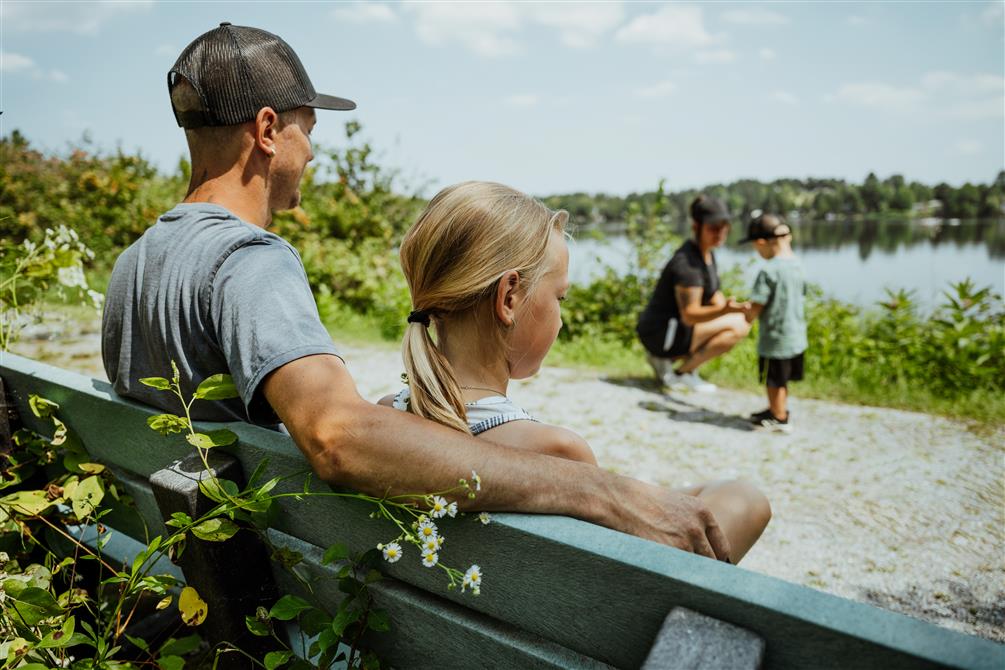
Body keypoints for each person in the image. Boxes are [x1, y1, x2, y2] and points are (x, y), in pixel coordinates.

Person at [100, 22, 737, 561]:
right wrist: (599, 490)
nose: (313, 154)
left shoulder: (133, 262)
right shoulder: (248, 261)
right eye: (308, 130)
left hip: (180, 574)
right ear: (268, 131)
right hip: (263, 612)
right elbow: (338, 437)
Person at [380, 181, 771, 562]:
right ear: (509, 297)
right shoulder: (556, 452)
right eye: (560, 297)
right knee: (744, 497)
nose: (561, 319)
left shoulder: (382, 419)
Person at [637, 195, 750, 393]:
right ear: (696, 227)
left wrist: (737, 309)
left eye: (725, 226)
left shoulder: (706, 254)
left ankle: (679, 368)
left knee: (740, 320)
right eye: (714, 227)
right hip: (660, 333)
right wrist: (725, 311)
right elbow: (689, 315)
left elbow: (715, 295)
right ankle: (683, 373)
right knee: (738, 327)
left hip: (674, 329)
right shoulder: (687, 264)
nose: (721, 232)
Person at [740, 212, 807, 433]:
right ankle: (778, 409)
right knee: (782, 379)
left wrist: (746, 314)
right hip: (796, 334)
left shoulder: (769, 271)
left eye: (756, 247)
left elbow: (757, 304)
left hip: (775, 338)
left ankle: (779, 417)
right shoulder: (797, 265)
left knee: (773, 379)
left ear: (761, 243)